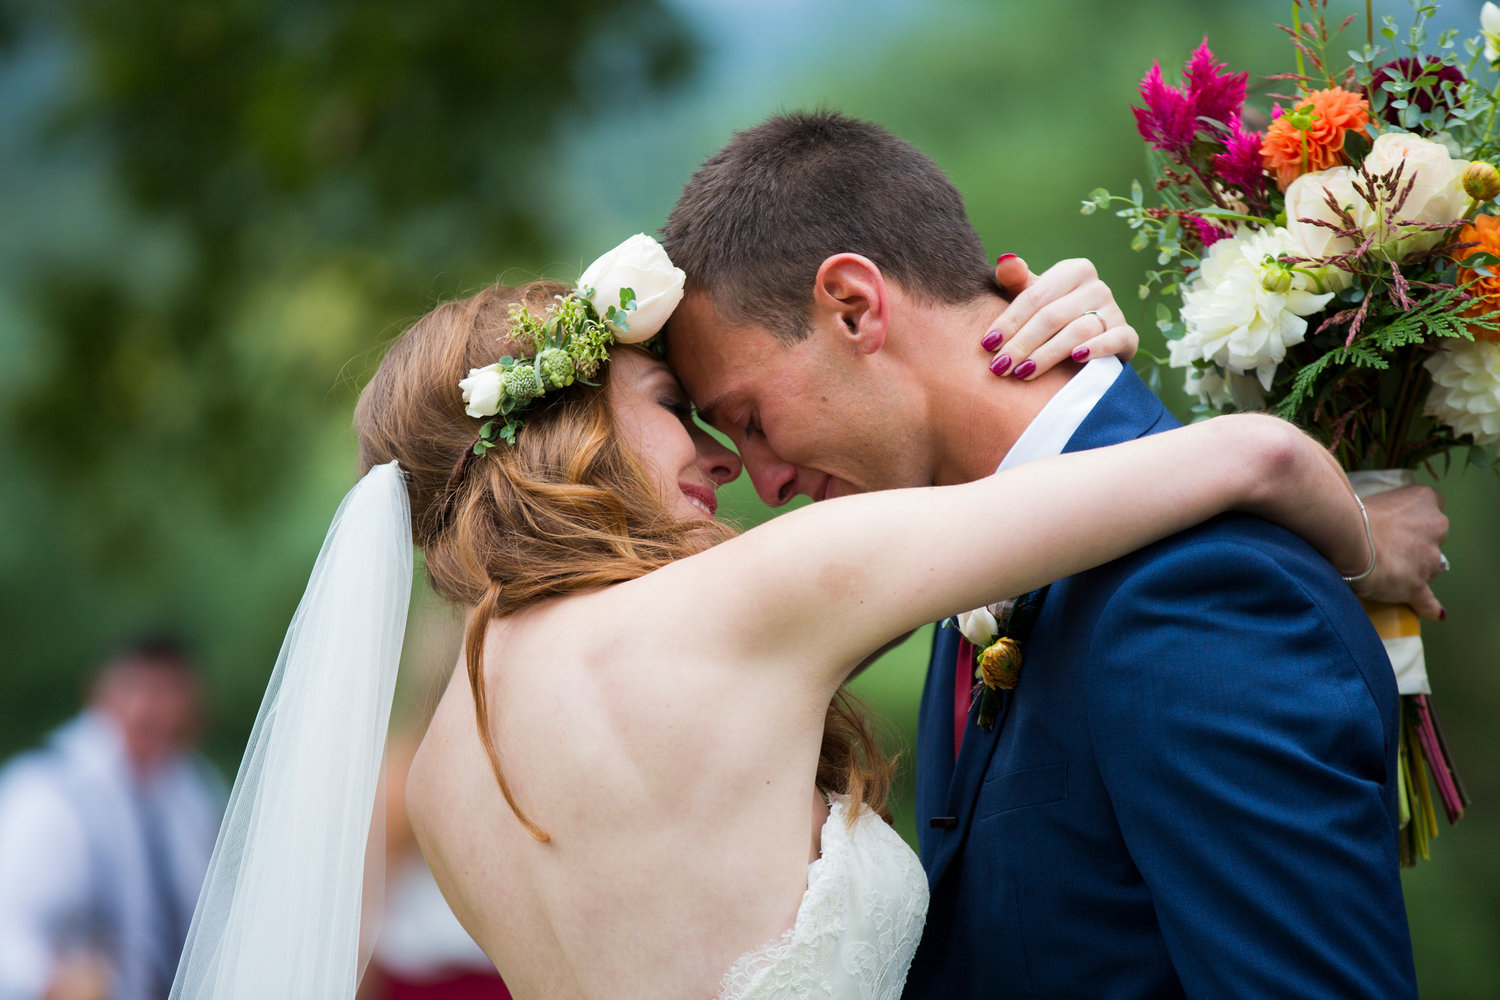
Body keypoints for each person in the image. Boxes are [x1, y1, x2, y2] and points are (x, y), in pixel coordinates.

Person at [167, 231, 1420, 1000]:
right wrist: (1372, 554)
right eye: (677, 410)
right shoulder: (737, 608)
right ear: (572, 430)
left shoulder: (444, 769)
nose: (723, 464)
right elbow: (1254, 456)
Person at [660, 110, 1441, 998]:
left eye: (752, 421)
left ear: (853, 305)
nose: (763, 484)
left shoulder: (1206, 591)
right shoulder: (967, 550)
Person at [0, 636, 224, 1000]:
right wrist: (50, 979)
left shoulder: (193, 792)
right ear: (101, 691)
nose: (152, 708)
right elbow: (8, 934)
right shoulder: (45, 792)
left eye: (170, 692)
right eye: (140, 688)